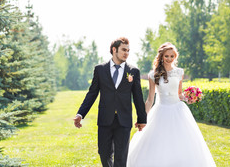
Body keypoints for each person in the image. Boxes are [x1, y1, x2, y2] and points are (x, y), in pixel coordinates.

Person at [127, 42, 216, 167]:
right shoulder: (153, 75)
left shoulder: (179, 72)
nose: (169, 59)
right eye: (166, 56)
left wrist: (189, 98)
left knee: (182, 142)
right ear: (161, 57)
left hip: (178, 110)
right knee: (158, 142)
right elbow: (150, 99)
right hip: (160, 111)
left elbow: (179, 94)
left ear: (175, 57)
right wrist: (143, 117)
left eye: (172, 56)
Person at [74, 37, 147, 167]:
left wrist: (142, 119)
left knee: (121, 157)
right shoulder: (100, 69)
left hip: (123, 121)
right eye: (124, 50)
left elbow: (137, 97)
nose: (127, 53)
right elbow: (92, 94)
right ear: (114, 49)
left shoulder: (133, 71)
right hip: (105, 120)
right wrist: (80, 114)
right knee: (104, 154)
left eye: (128, 50)